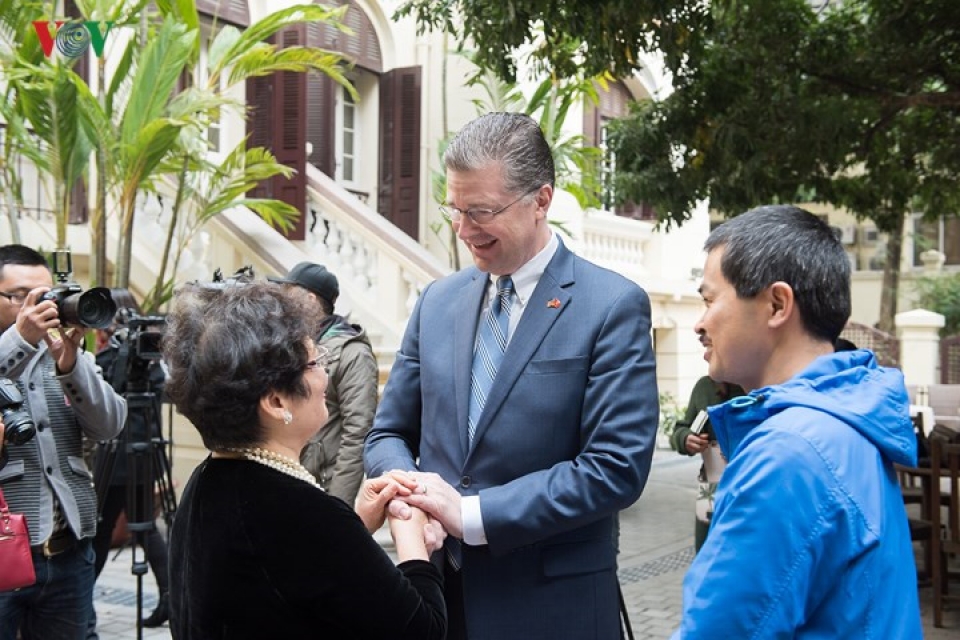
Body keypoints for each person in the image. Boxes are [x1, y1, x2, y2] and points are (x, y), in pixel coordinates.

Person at [364, 112, 659, 640]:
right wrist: (411, 496)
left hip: (552, 609)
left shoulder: (611, 305)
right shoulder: (437, 301)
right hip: (440, 600)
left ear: (541, 200)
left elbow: (615, 468)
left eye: (480, 211)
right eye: (455, 209)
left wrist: (471, 513)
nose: (463, 230)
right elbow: (389, 432)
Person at [672, 205, 921, 638]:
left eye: (710, 299)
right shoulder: (844, 420)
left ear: (776, 304)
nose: (700, 322)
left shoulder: (789, 454)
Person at [161, 280, 446, 639]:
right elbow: (423, 630)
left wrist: (355, 526)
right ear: (276, 402)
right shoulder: (301, 511)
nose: (324, 374)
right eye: (314, 362)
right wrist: (412, 540)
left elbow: (292, 574)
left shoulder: (204, 481)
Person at [0, 244, 127, 639]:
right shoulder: (17, 346)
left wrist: (72, 364)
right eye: (21, 295)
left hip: (68, 550)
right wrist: (19, 339)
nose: (38, 304)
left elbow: (110, 426)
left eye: (45, 293)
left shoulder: (58, 350)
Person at [89, 295, 171, 632]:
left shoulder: (119, 357)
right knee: (143, 525)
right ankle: (170, 596)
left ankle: (79, 600)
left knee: (99, 529)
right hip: (143, 456)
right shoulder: (149, 355)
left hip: (119, 454)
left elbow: (105, 398)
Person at [268, 262, 378, 505]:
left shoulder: (353, 353)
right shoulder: (298, 347)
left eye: (288, 294)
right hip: (293, 480)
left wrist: (338, 506)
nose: (282, 302)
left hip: (325, 489)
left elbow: (358, 433)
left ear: (309, 299)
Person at [670, 376, 744, 551]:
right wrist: (686, 438)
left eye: (712, 346)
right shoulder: (704, 387)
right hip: (711, 488)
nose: (705, 352)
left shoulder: (756, 383)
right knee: (706, 551)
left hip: (747, 489)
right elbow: (682, 429)